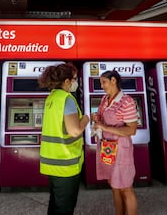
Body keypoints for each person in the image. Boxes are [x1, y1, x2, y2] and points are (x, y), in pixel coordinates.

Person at [38, 63, 89, 215]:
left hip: (50, 161)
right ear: (66, 81)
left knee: (55, 203)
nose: (75, 82)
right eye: (74, 79)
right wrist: (86, 119)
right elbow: (74, 130)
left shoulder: (52, 98)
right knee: (65, 208)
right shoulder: (67, 99)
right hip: (66, 163)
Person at [91, 70, 138, 215]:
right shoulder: (105, 99)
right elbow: (101, 117)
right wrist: (96, 118)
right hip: (107, 148)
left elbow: (131, 130)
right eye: (100, 83)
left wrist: (104, 127)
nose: (102, 85)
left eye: (103, 82)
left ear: (113, 81)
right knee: (114, 185)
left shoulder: (126, 101)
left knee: (125, 187)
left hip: (121, 150)